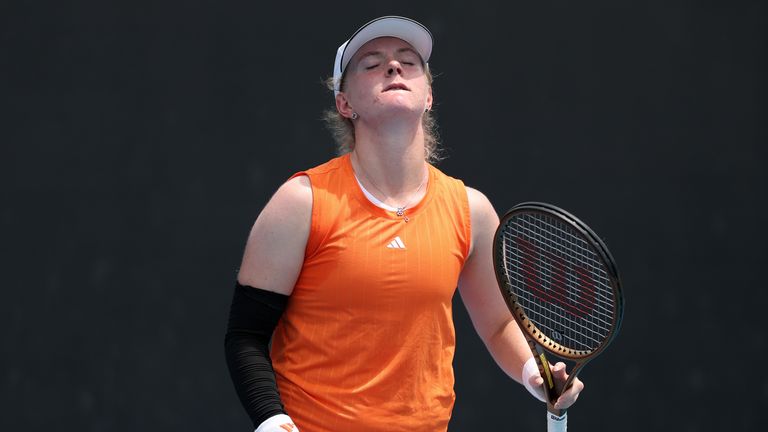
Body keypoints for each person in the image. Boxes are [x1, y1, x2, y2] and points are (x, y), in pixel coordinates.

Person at [225, 16, 584, 432]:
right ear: (345, 104)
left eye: (408, 62)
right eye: (372, 63)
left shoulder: (471, 211)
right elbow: (246, 336)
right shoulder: (301, 202)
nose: (393, 67)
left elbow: (499, 324)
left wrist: (533, 374)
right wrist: (272, 421)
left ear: (428, 96)